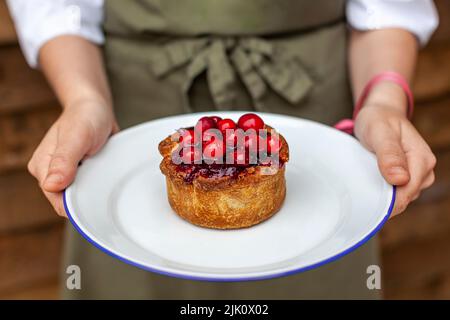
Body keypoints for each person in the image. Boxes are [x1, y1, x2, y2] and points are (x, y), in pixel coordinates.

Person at [7, 0, 438, 299]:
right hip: (133, 110)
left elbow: (386, 10)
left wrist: (383, 101)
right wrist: (85, 99)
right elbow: (61, 10)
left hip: (314, 108)